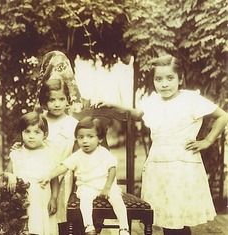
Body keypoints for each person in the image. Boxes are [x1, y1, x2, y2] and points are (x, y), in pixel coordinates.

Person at [95, 54, 228, 235]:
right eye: (159, 79)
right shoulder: (153, 102)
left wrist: (208, 140)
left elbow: (222, 116)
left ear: (180, 79)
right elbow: (137, 115)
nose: (164, 84)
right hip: (159, 166)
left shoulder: (191, 100)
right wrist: (113, 105)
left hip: (182, 167)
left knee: (179, 217)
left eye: (170, 78)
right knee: (166, 216)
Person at [39, 116, 130, 235]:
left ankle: (124, 228)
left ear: (100, 138)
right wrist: (49, 176)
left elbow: (112, 168)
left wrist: (107, 188)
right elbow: (64, 167)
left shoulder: (103, 152)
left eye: (90, 136)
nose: (85, 141)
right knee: (85, 200)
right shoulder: (78, 155)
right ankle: (89, 226)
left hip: (106, 185)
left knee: (117, 199)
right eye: (81, 137)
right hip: (87, 186)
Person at [5, 112, 59, 235]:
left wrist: (54, 198)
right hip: (22, 202)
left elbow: (55, 179)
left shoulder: (49, 154)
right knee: (24, 227)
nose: (31, 136)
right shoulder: (17, 153)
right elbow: (6, 173)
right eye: (27, 132)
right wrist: (10, 176)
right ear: (21, 133)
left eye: (36, 132)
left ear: (44, 135)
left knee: (43, 228)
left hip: (42, 201)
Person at [38, 78, 79, 234]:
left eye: (61, 99)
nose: (57, 104)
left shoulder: (73, 124)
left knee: (63, 217)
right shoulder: (40, 121)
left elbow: (77, 154)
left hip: (66, 174)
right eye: (52, 100)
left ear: (67, 100)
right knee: (43, 214)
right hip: (43, 174)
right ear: (44, 102)